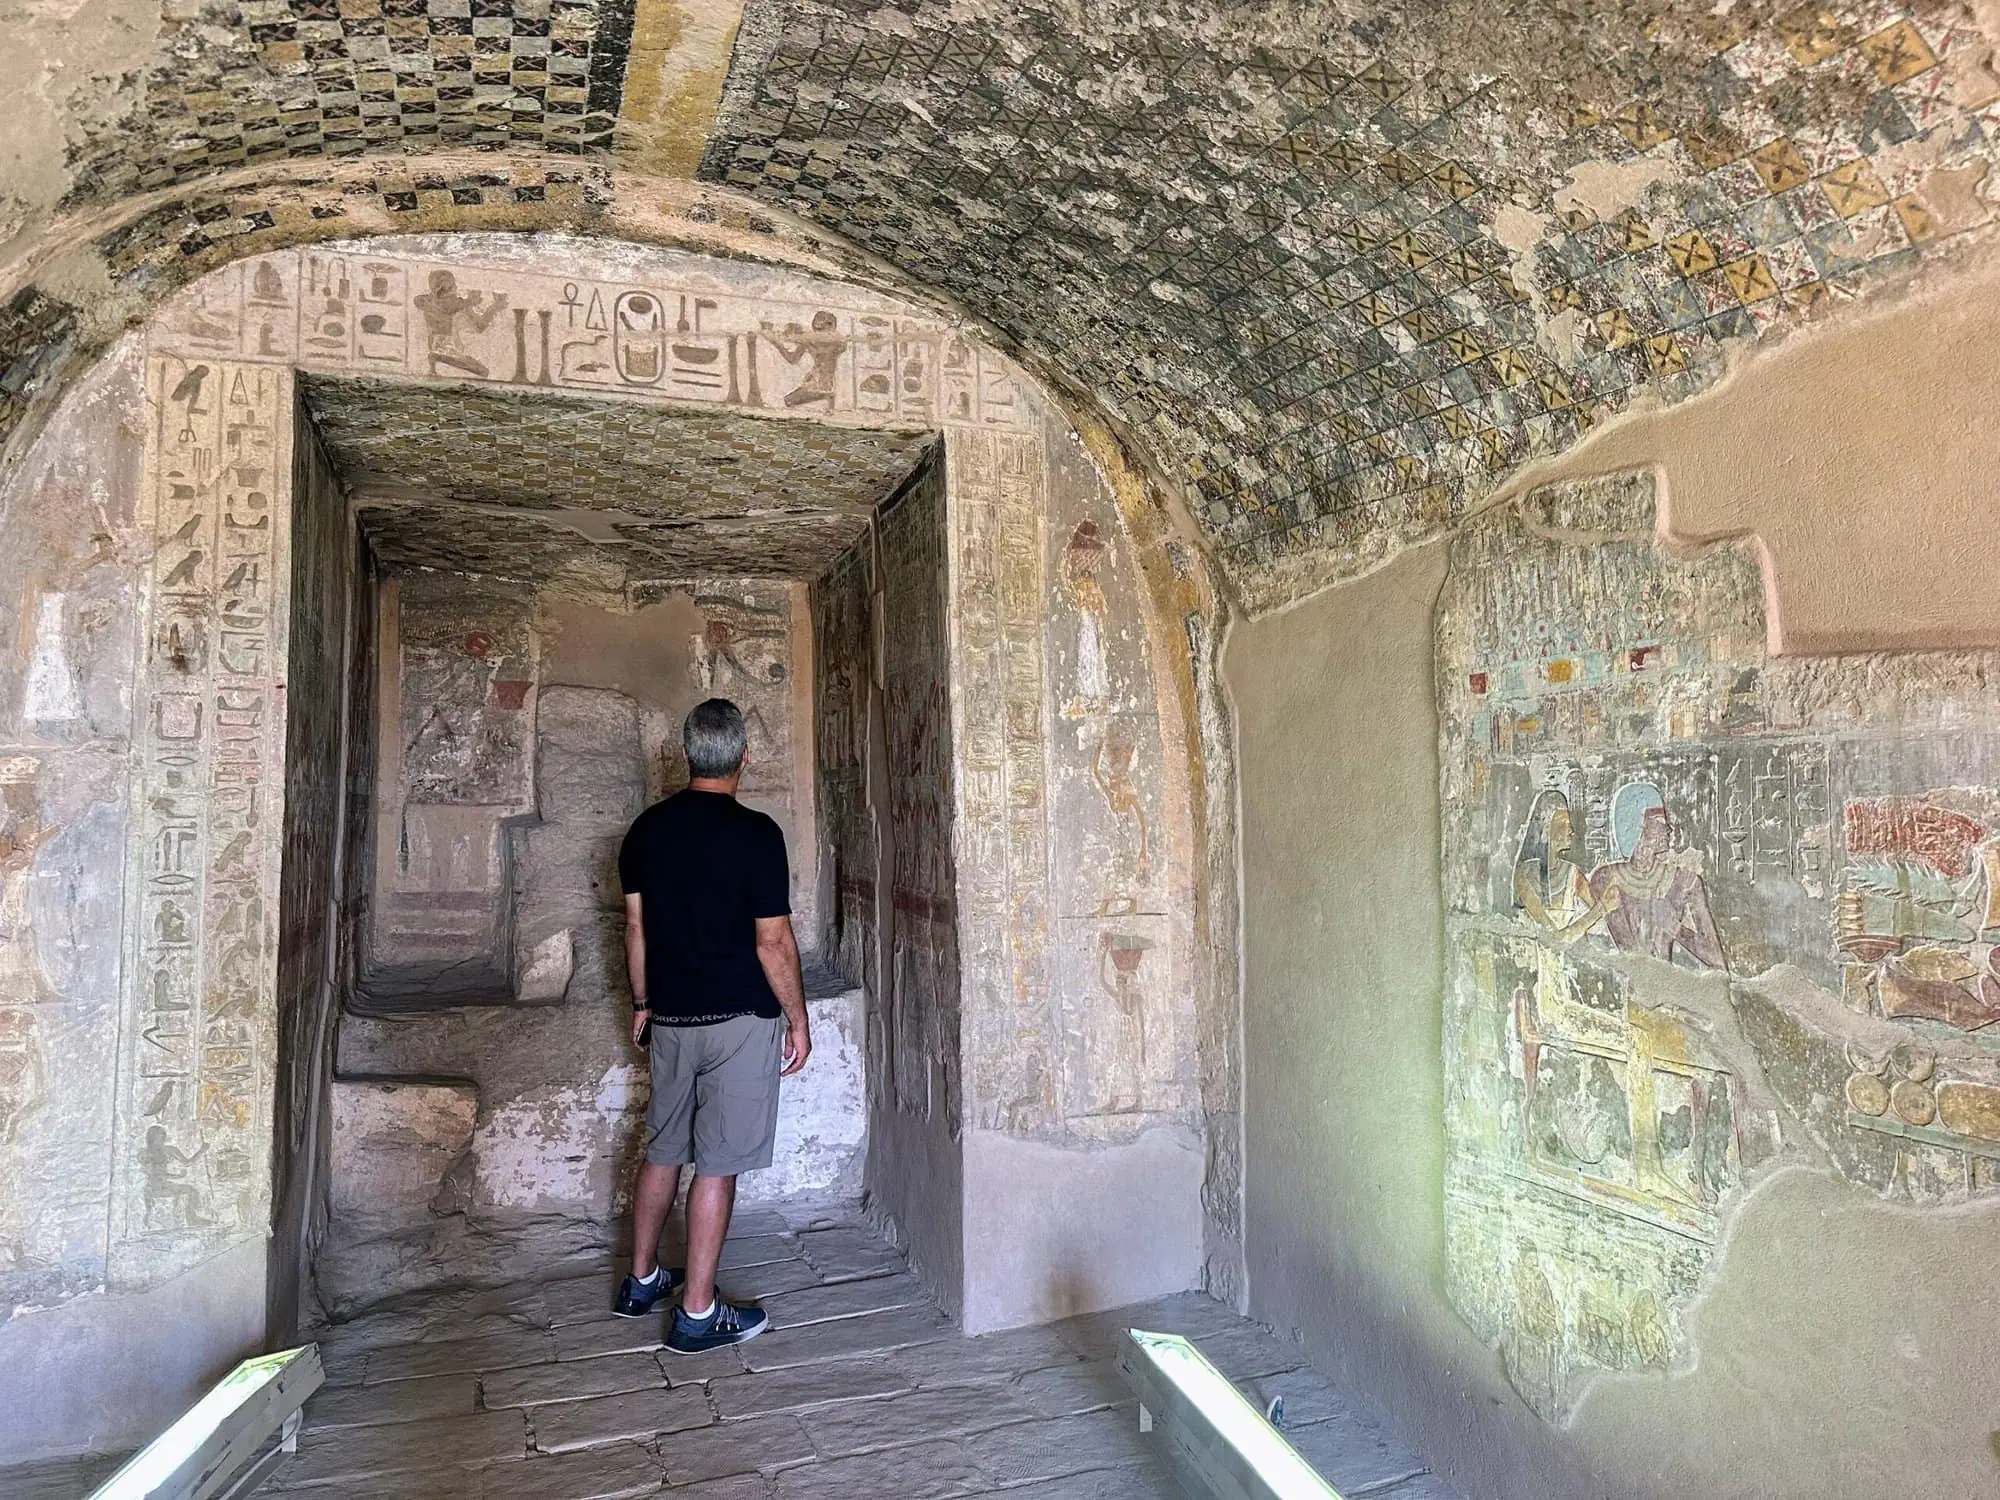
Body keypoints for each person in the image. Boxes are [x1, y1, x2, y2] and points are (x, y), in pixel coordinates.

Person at [611, 698, 811, 1353]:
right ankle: (697, 1313)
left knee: (664, 1148)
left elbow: (635, 927)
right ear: (744, 757)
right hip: (739, 1020)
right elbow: (773, 943)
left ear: (688, 753)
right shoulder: (757, 835)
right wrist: (798, 1018)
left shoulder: (645, 831)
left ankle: (641, 1282)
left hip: (671, 1016)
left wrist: (643, 1003)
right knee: (717, 1166)